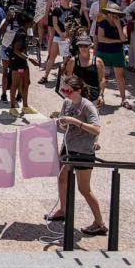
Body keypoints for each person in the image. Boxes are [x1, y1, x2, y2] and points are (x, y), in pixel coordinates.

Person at [45, 75, 107, 236]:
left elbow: (96, 129)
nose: (65, 93)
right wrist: (61, 122)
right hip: (69, 147)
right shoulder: (67, 102)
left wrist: (75, 122)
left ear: (79, 90)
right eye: (63, 90)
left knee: (84, 188)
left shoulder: (87, 106)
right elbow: (64, 125)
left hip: (83, 151)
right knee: (62, 178)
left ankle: (99, 223)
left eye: (68, 90)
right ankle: (63, 210)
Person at [95, 2, 128, 107]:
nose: (114, 15)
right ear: (108, 13)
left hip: (117, 52)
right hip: (103, 51)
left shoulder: (122, 23)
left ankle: (124, 100)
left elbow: (124, 39)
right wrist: (116, 41)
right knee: (100, 76)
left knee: (120, 77)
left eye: (116, 13)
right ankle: (100, 97)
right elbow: (101, 38)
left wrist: (118, 25)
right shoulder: (102, 23)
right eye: (112, 13)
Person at [62, 36, 105, 109]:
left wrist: (101, 95)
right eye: (80, 45)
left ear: (90, 46)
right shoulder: (73, 61)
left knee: (92, 119)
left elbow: (102, 80)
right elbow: (68, 79)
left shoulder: (98, 61)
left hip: (93, 96)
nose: (82, 48)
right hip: (76, 96)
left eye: (85, 45)